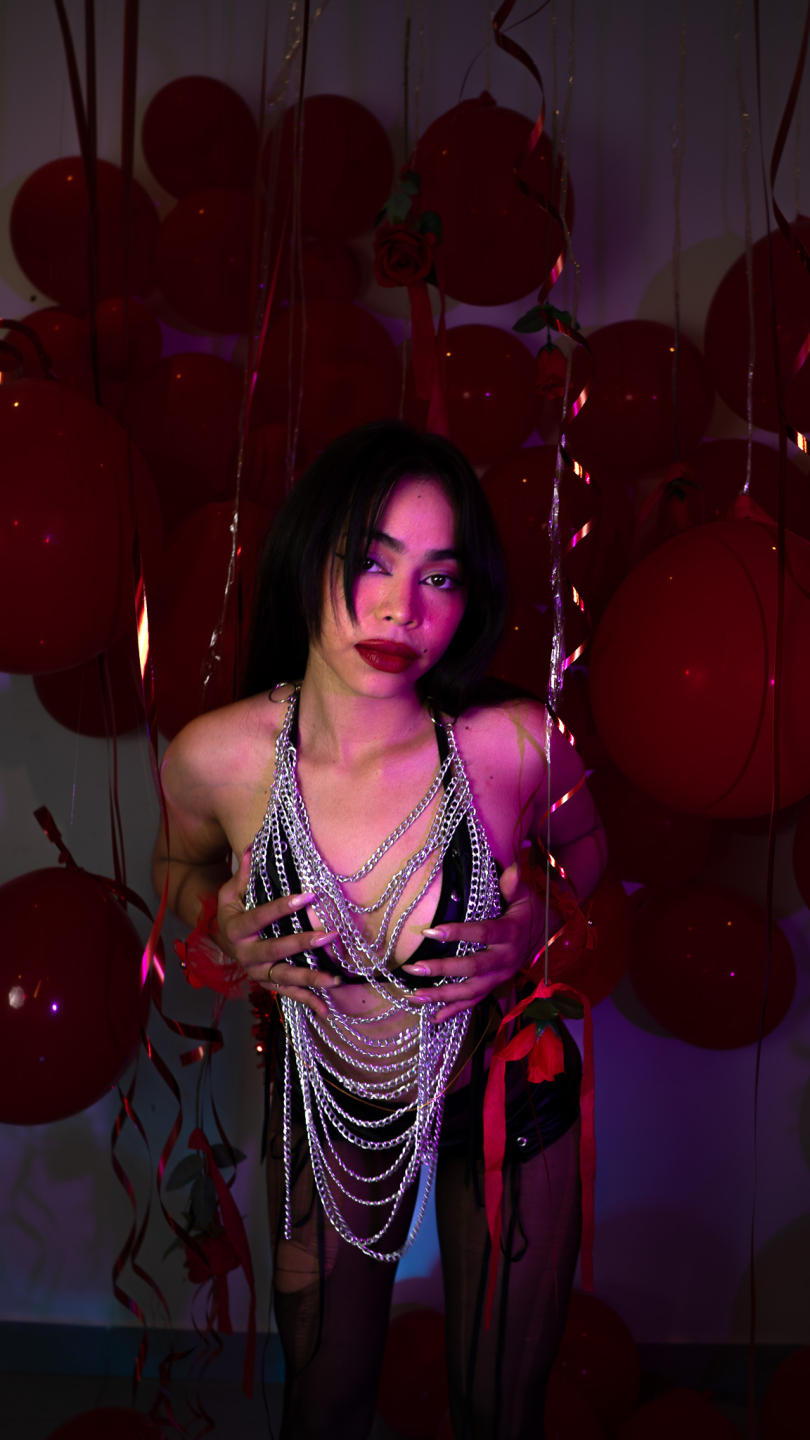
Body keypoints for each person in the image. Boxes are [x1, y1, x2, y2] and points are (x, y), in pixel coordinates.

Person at [153, 420, 606, 1440]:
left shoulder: (515, 744)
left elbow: (588, 859)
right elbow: (177, 866)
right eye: (371, 562)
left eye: (440, 577)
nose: (403, 608)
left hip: (504, 1092)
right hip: (329, 1102)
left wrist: (536, 912)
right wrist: (213, 918)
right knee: (325, 1400)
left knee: (502, 1409)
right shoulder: (218, 759)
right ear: (308, 554)